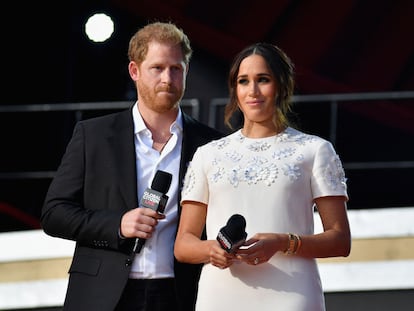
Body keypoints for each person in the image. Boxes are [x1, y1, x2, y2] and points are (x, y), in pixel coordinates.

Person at [41, 22, 223, 311]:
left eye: (176, 68)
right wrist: (118, 224)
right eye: (157, 68)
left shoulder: (212, 144)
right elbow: (54, 213)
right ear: (134, 71)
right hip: (103, 295)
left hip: (181, 295)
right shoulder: (94, 135)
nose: (168, 78)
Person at [174, 42, 351, 311]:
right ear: (235, 89)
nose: (253, 91)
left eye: (263, 80)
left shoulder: (314, 150)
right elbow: (183, 245)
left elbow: (340, 240)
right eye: (244, 81)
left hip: (292, 295)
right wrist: (213, 250)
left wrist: (282, 242)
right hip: (220, 296)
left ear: (281, 85)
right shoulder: (208, 155)